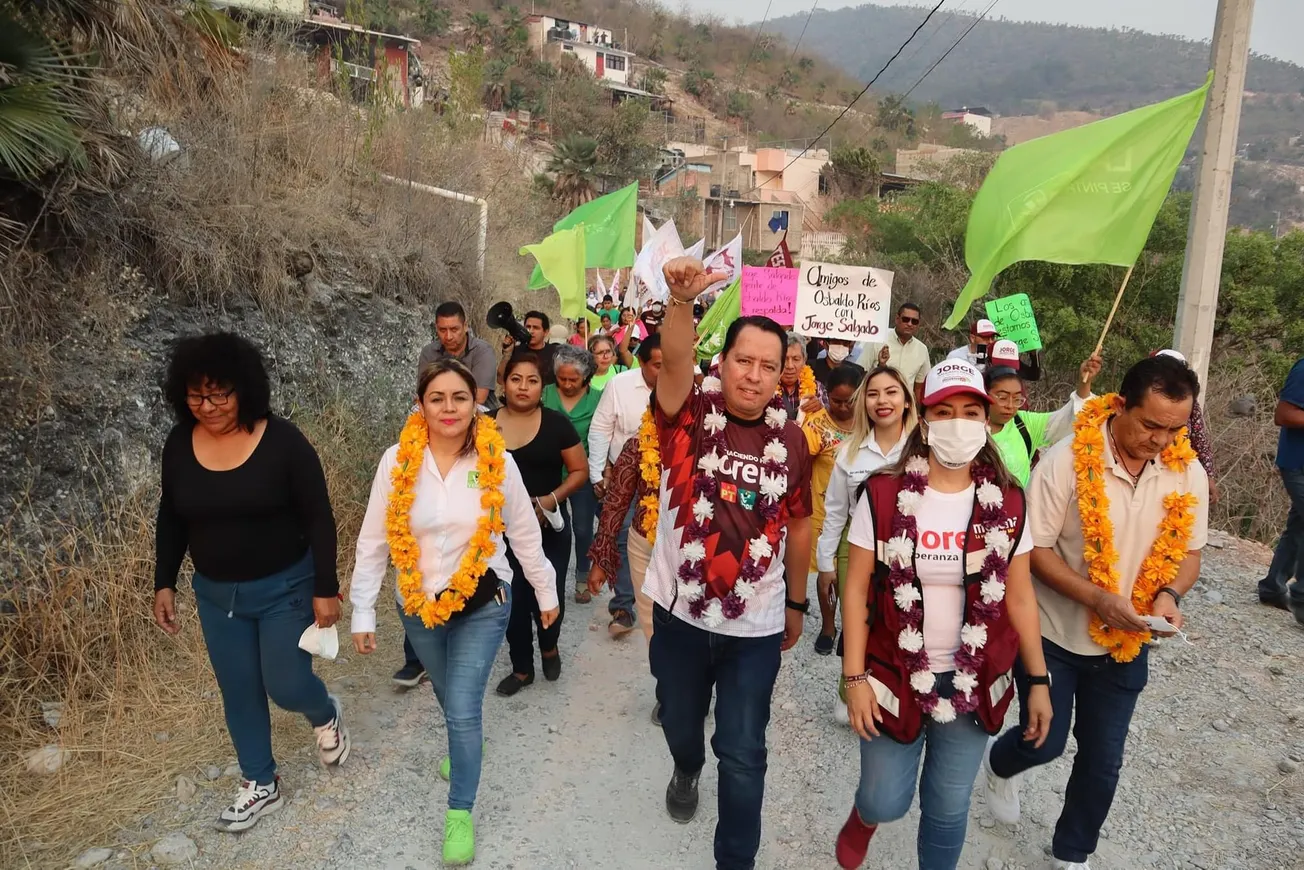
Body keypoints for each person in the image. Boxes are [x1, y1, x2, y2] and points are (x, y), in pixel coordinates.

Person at [983, 355, 1208, 870]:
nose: (1160, 440)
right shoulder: (1065, 460)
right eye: (1150, 424)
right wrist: (1097, 598)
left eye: (1174, 429)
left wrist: (1169, 595)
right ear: (1121, 404)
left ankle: (1072, 853)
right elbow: (1034, 552)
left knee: (1103, 762)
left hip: (1126, 642)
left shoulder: (1186, 470)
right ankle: (1001, 764)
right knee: (1044, 741)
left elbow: (1190, 552)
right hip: (1055, 633)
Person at [833, 358, 1052, 870]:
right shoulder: (884, 494)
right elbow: (858, 584)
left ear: (986, 417)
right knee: (886, 798)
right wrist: (854, 675)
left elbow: (1020, 597)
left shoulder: (1010, 501)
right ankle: (865, 816)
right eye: (945, 410)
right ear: (925, 419)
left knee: (948, 807)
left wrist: (1038, 679)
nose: (958, 422)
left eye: (970, 411)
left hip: (974, 676)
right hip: (895, 668)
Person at [350, 358, 559, 866]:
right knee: (447, 695)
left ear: (476, 403)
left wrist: (546, 593)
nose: (449, 408)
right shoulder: (397, 460)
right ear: (421, 404)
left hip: (484, 602)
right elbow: (375, 539)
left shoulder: (497, 461)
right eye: (437, 398)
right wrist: (362, 611)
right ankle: (465, 746)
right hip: (417, 605)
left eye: (459, 398)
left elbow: (525, 535)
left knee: (464, 708)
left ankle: (459, 812)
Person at [648, 256, 814, 870]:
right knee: (683, 728)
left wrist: (795, 603)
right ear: (722, 364)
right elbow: (671, 365)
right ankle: (685, 767)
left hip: (756, 624)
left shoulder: (792, 440)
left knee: (744, 752)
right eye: (744, 360)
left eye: (769, 366)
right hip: (682, 614)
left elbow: (799, 524)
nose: (754, 375)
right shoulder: (688, 411)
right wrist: (682, 303)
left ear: (782, 378)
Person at [153, 332, 348, 833]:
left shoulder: (284, 442)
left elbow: (319, 517)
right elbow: (172, 517)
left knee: (285, 684)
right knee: (238, 688)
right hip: (216, 595)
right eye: (197, 395)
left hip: (286, 586)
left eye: (221, 393)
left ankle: (324, 712)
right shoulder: (179, 444)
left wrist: (326, 586)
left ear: (245, 389)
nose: (209, 406)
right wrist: (164, 581)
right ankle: (260, 782)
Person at [814, 366, 915, 716]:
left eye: (891, 392)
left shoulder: (925, 450)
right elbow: (836, 513)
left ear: (906, 401)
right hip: (855, 550)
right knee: (858, 620)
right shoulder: (850, 454)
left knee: (902, 621)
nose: (882, 401)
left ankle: (901, 692)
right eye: (873, 394)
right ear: (864, 404)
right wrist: (825, 563)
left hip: (910, 551)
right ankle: (850, 692)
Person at [492, 352, 588, 694]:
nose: (523, 387)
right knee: (510, 600)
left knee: (545, 594)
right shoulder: (486, 427)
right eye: (516, 379)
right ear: (504, 384)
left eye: (532, 381)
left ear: (541, 387)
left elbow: (580, 472)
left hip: (547, 529)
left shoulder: (557, 424)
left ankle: (549, 646)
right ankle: (521, 668)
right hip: (499, 536)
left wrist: (549, 499)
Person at [586, 396, 663, 722]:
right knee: (655, 629)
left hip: (695, 555)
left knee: (695, 629)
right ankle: (670, 691)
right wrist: (602, 557)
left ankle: (697, 687)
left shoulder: (710, 443)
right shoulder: (637, 445)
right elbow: (616, 502)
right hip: (645, 546)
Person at [588, 334, 664, 636]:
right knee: (623, 533)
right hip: (627, 474)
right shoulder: (619, 385)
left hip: (671, 478)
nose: (664, 371)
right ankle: (623, 605)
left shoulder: (688, 385)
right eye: (657, 365)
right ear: (640, 362)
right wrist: (598, 474)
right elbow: (601, 428)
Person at [801, 363, 864, 657]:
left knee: (855, 575)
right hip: (824, 514)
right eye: (836, 401)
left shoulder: (873, 423)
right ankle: (828, 626)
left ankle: (852, 627)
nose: (842, 408)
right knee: (828, 574)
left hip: (862, 517)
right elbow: (799, 462)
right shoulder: (817, 425)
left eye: (849, 401)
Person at [985, 349, 1101, 487]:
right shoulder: (968, 428)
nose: (1010, 406)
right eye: (1002, 398)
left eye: (1017, 399)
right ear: (984, 394)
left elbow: (1069, 418)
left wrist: (1084, 384)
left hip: (1019, 507)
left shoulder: (1023, 424)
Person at [542, 345, 603, 603]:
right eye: (562, 379)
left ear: (586, 377)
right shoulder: (544, 394)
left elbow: (603, 435)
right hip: (549, 472)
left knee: (582, 526)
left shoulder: (599, 398)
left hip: (581, 473)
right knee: (551, 526)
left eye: (573, 380)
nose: (566, 384)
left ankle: (581, 576)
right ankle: (546, 577)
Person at [1259, 355, 1304, 620]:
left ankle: (1273, 588)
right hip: (1297, 463)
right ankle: (1301, 599)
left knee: (1299, 525)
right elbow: (1284, 414)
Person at [1153, 350, 1217, 500]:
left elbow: (1200, 439)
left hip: (1175, 467)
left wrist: (1209, 476)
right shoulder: (1143, 394)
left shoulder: (1189, 404)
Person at [418, 301, 499, 409]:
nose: (448, 336)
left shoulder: (483, 351)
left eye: (454, 329)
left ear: (465, 326)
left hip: (478, 411)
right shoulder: (428, 352)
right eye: (442, 330)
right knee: (417, 409)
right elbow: (423, 394)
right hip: (440, 409)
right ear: (436, 328)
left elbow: (479, 397)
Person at [858, 302, 931, 404]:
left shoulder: (922, 349)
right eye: (906, 319)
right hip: (878, 404)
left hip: (905, 408)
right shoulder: (878, 339)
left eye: (914, 321)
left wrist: (918, 413)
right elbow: (860, 373)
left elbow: (919, 387)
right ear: (897, 319)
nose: (910, 324)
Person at [497, 310, 557, 387]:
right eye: (528, 327)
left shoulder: (554, 352)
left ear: (545, 332)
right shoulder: (516, 351)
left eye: (536, 328)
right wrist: (507, 354)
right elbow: (500, 380)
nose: (531, 331)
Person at [778, 332, 827, 419]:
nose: (790, 366)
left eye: (796, 359)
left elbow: (829, 425)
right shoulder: (766, 388)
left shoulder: (818, 389)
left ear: (804, 360)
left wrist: (820, 409)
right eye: (784, 359)